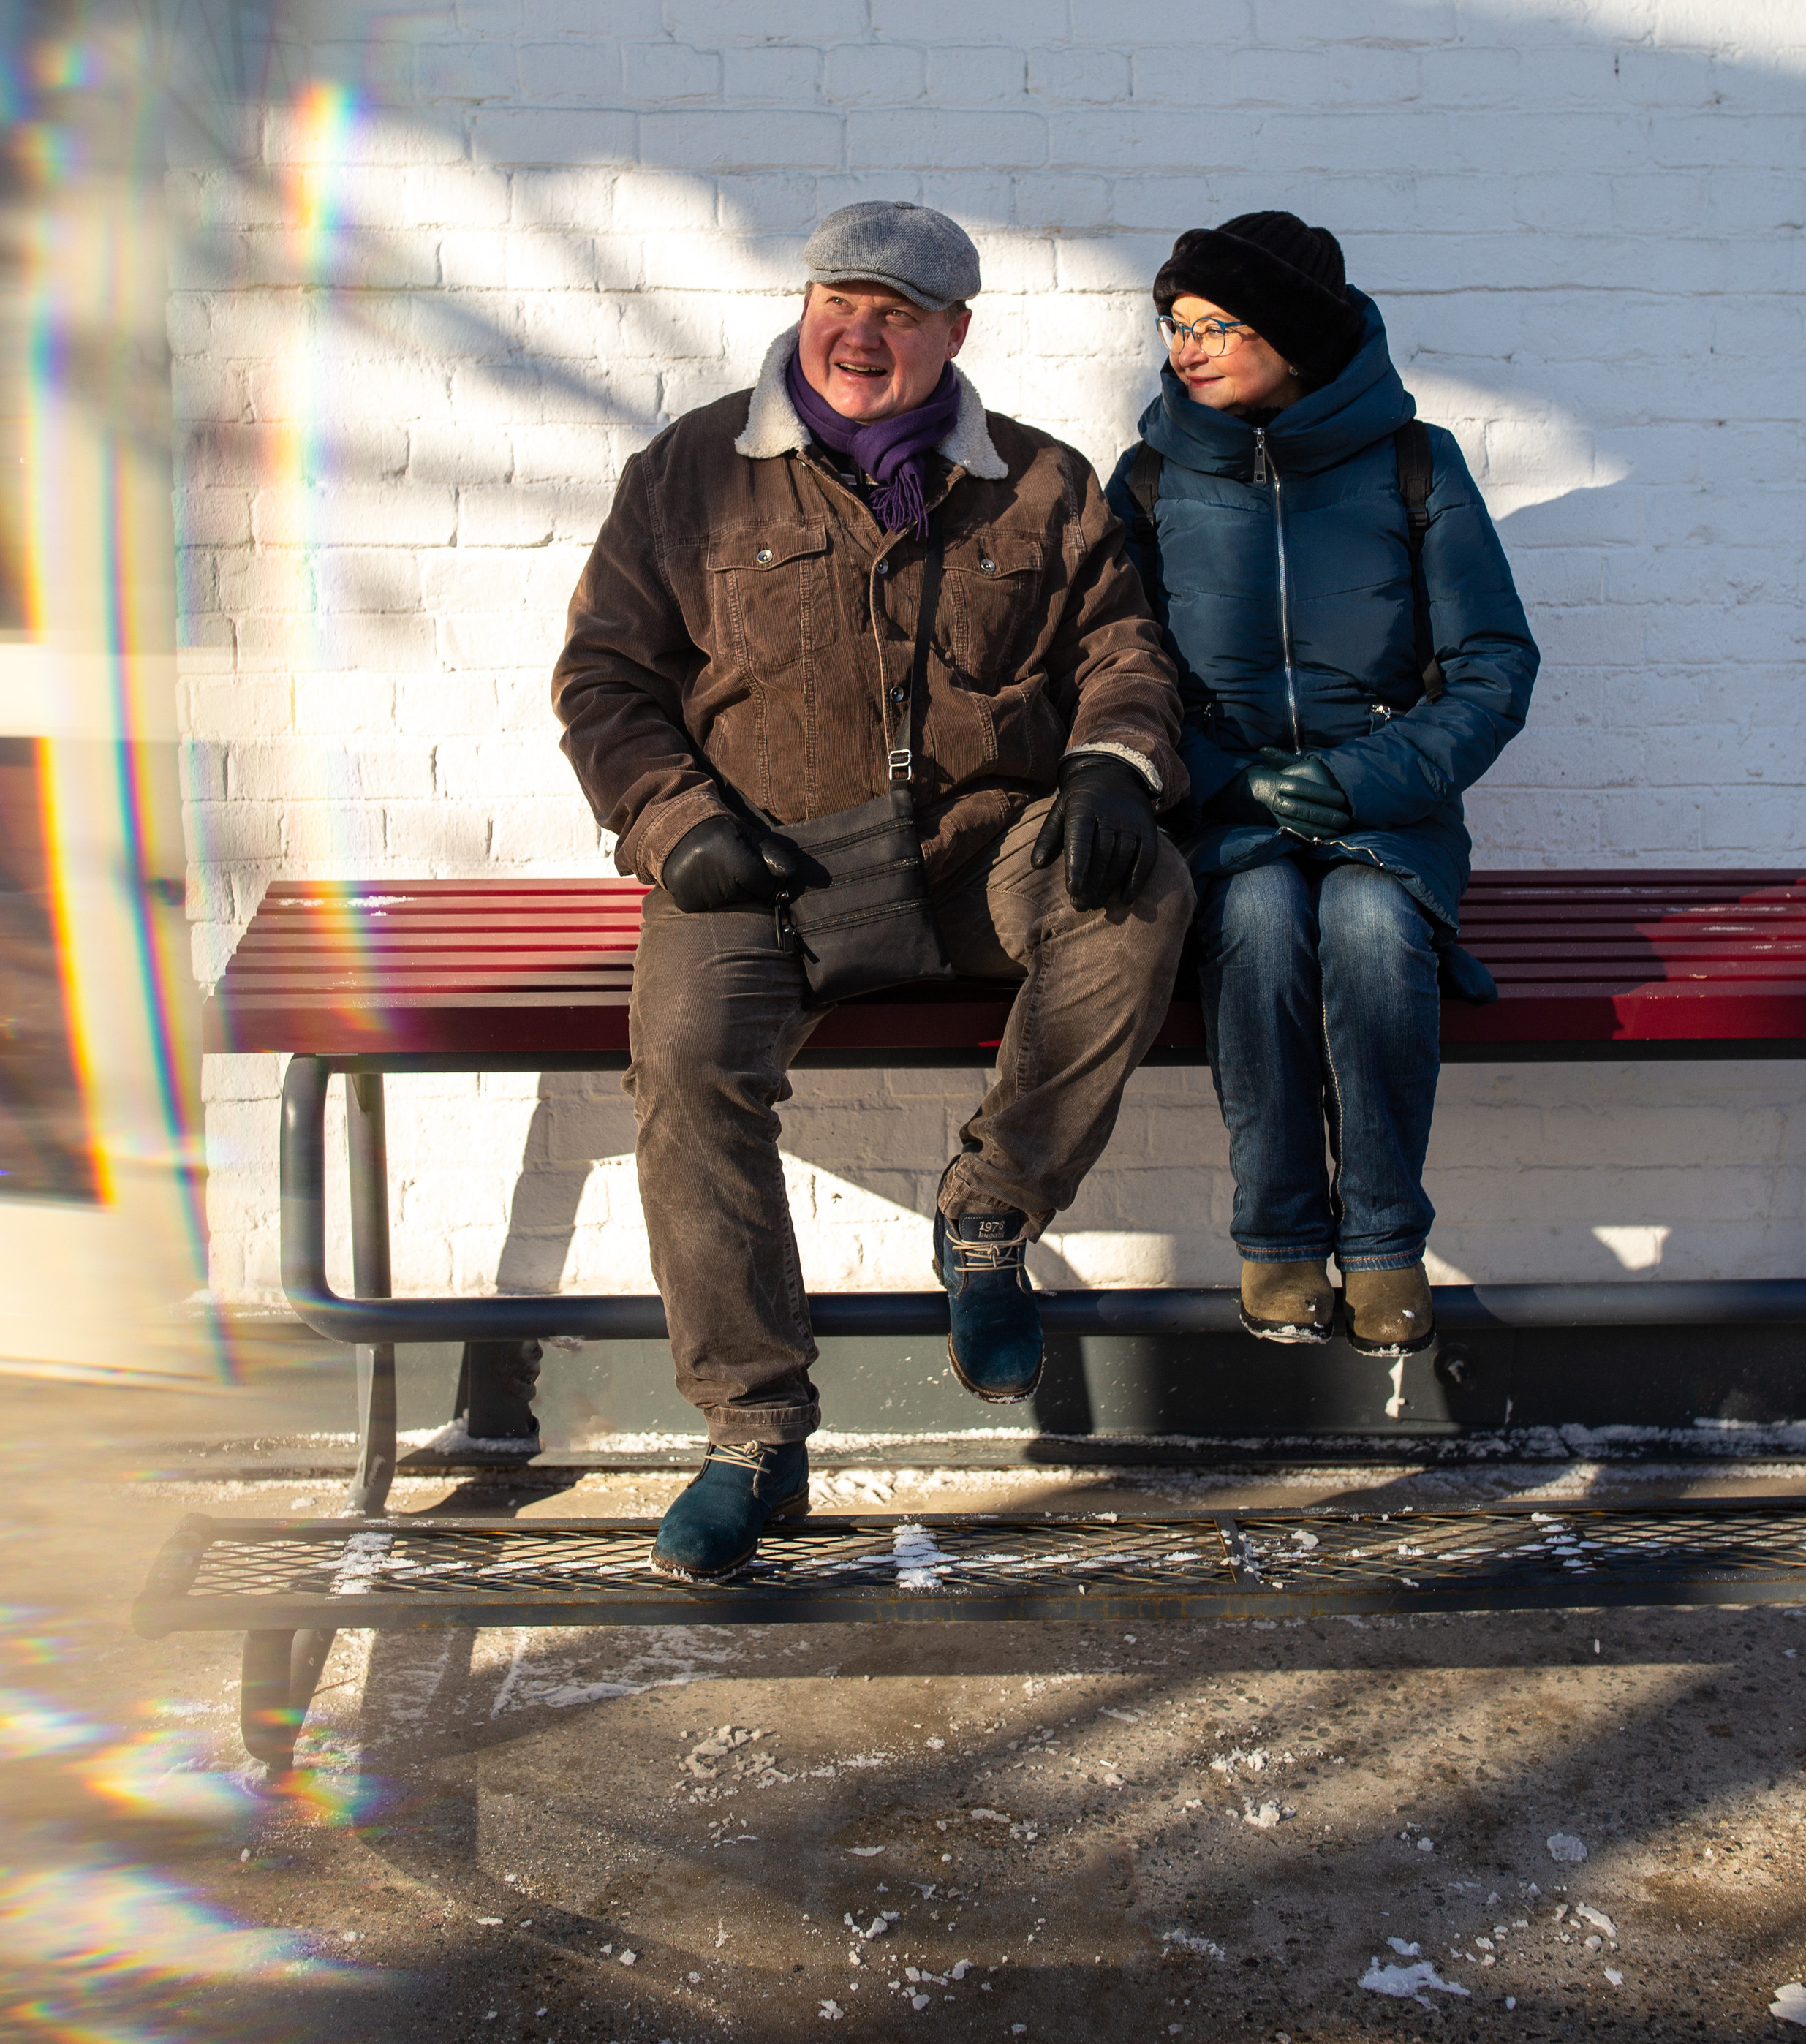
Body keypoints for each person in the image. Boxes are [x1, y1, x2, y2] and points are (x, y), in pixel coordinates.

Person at [554, 201, 1193, 1578]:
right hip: (763, 869)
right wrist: (677, 825)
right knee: (684, 1063)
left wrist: (1113, 766)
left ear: (955, 334)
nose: (862, 334)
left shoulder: (1041, 483)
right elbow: (604, 679)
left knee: (1146, 900)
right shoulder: (692, 473)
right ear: (804, 305)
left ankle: (987, 1218)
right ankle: (753, 1434)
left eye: (899, 315)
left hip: (979, 853)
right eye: (841, 300)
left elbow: (1125, 651)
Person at [1106, 211, 1538, 1359]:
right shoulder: (1149, 478)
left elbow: (1493, 666)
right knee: (1251, 912)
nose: (1186, 348)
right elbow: (1111, 672)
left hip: (1388, 815)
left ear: (1299, 338)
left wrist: (1357, 779)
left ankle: (1387, 1242)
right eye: (1175, 326)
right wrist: (1225, 785)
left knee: (1366, 919)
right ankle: (1279, 1236)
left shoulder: (1415, 462)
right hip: (1223, 818)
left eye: (1218, 325)